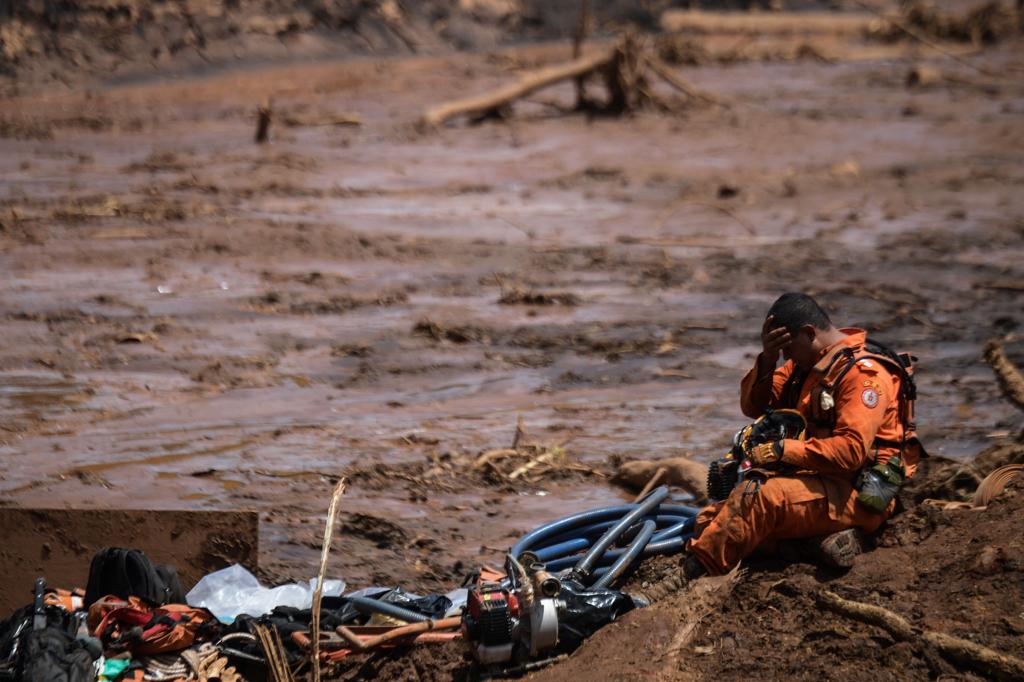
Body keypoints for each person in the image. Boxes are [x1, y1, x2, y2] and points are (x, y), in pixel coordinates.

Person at [682, 293, 924, 577]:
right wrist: (768, 359)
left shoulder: (862, 376)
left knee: (758, 498)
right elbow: (754, 407)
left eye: (788, 349)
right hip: (815, 483)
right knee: (709, 521)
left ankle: (685, 578)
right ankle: (810, 547)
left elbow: (850, 452)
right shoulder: (806, 366)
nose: (786, 357)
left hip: (857, 494)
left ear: (809, 333)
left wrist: (782, 450)